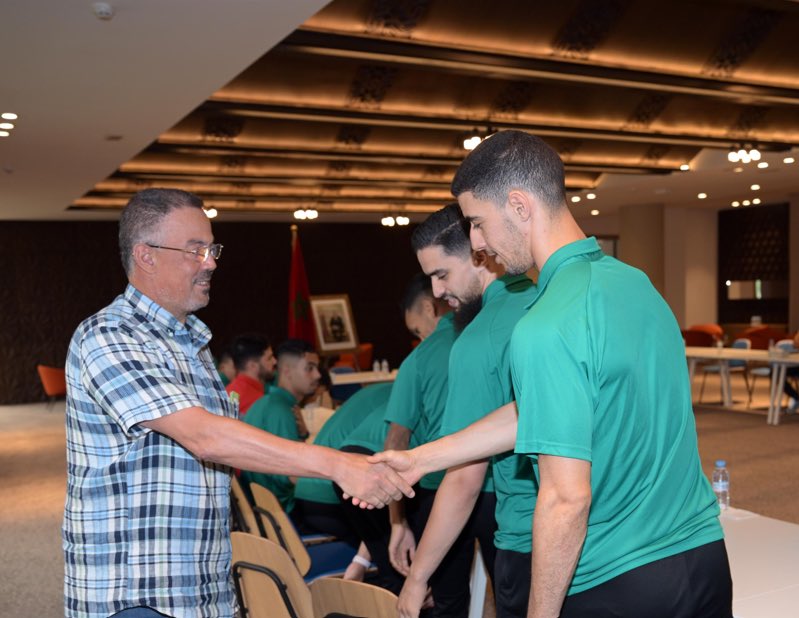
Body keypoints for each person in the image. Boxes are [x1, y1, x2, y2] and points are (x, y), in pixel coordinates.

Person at [374, 130, 732, 618]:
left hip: (615, 578)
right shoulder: (636, 284)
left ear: (520, 206)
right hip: (702, 559)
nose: (477, 243)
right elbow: (546, 409)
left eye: (477, 223)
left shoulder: (546, 323)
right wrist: (424, 458)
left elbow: (565, 499)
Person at [63, 188, 413, 618]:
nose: (210, 262)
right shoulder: (109, 336)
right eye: (195, 250)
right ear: (146, 255)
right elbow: (204, 437)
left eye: (212, 249)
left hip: (202, 589)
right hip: (138, 592)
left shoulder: (192, 343)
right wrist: (337, 465)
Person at [396, 203, 538, 618]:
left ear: (480, 255)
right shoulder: (548, 300)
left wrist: (418, 576)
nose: (437, 293)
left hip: (526, 538)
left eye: (442, 274)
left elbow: (462, 480)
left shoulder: (478, 340)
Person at [240, 339, 321, 513]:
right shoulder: (279, 409)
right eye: (309, 368)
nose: (317, 375)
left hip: (266, 510)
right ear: (287, 371)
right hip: (282, 513)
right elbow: (291, 475)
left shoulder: (268, 402)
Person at [225, 333, 276, 416]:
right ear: (252, 365)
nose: (274, 361)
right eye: (269, 358)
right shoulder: (255, 401)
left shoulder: (229, 391)